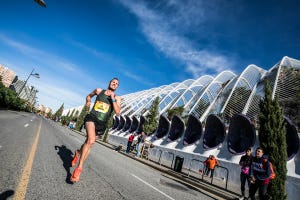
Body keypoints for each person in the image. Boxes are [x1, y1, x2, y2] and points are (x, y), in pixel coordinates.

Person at [70, 78, 121, 182]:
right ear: (109, 83)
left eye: (116, 84)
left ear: (117, 87)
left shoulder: (117, 98)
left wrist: (113, 99)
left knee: (89, 143)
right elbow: (89, 96)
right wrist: (88, 101)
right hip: (92, 118)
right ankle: (79, 168)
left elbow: (117, 112)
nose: (114, 84)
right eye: (113, 82)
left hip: (102, 123)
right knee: (91, 140)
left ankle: (78, 152)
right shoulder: (98, 91)